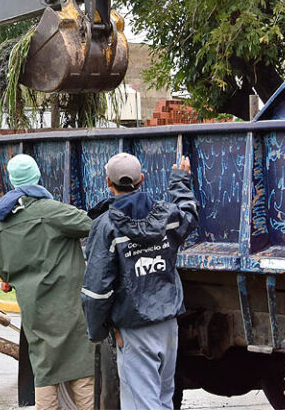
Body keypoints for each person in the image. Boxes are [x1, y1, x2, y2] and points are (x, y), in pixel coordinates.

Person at [81, 153, 198, 410]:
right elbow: (189, 214)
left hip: (134, 328)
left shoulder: (106, 226)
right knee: (164, 400)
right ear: (142, 180)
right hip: (168, 325)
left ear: (108, 183)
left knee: (141, 404)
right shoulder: (168, 216)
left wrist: (98, 332)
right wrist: (180, 183)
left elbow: (97, 291)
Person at [0, 153, 95, 410]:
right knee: (82, 370)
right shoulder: (51, 211)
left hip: (34, 311)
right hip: (68, 307)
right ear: (38, 177)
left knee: (44, 370)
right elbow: (91, 225)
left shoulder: (3, 224)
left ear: (12, 182)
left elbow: (3, 274)